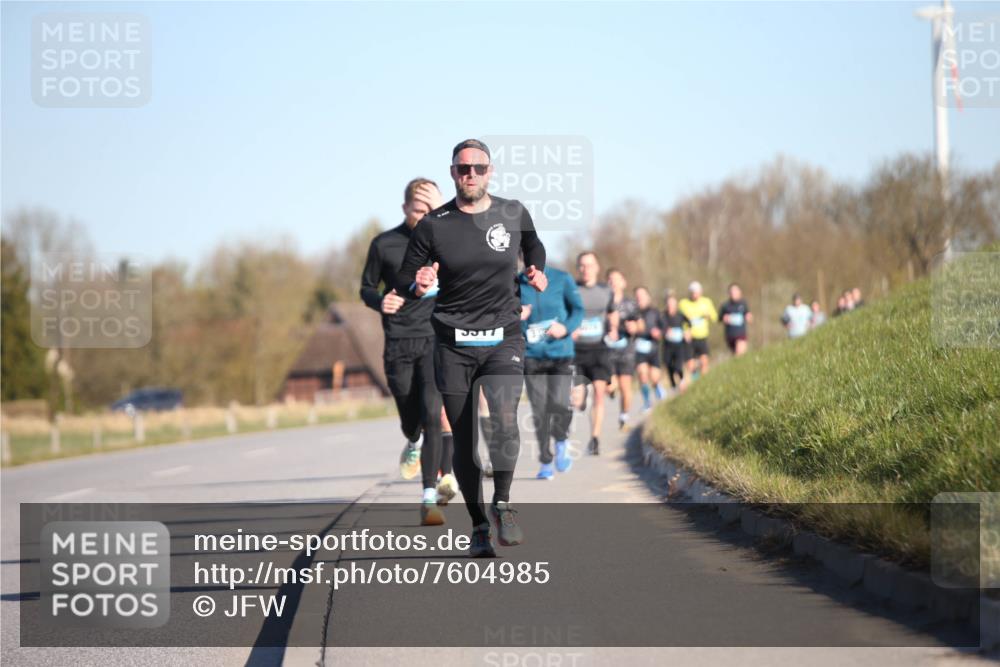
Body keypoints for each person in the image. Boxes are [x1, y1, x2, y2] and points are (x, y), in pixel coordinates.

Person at [396, 139, 547, 558]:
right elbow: (405, 278)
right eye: (464, 169)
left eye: (479, 168)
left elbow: (533, 244)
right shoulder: (434, 225)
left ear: (491, 171)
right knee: (463, 440)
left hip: (503, 336)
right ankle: (479, 524)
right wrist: (418, 282)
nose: (472, 176)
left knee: (503, 419)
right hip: (452, 342)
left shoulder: (512, 212)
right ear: (452, 173)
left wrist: (535, 267)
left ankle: (502, 505)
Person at [360, 178, 456, 526]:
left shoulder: (445, 242)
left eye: (431, 208)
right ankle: (411, 439)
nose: (425, 214)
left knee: (434, 415)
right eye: (419, 209)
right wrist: (379, 300)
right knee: (410, 418)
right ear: (405, 209)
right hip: (398, 341)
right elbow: (366, 287)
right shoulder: (384, 244)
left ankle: (428, 497)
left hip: (434, 338)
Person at [519, 261, 583, 479]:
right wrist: (518, 317)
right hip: (531, 355)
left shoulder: (561, 278)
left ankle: (562, 440)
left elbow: (578, 310)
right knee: (539, 410)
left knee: (558, 403)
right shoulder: (516, 283)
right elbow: (506, 315)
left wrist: (565, 328)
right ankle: (546, 461)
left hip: (560, 353)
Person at [571, 251, 616, 456]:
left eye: (589, 265)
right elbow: (562, 313)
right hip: (576, 351)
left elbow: (612, 312)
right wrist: (570, 327)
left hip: (599, 349)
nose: (585, 269)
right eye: (582, 265)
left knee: (600, 393)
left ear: (597, 268)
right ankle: (581, 399)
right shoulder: (571, 289)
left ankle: (595, 438)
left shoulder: (606, 291)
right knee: (578, 400)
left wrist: (613, 328)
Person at [606, 268, 640, 430]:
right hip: (607, 350)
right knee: (610, 385)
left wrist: (634, 326)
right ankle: (611, 389)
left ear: (623, 283)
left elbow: (640, 324)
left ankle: (624, 415)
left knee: (625, 386)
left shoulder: (631, 304)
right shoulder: (603, 302)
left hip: (626, 350)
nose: (613, 282)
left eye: (617, 279)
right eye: (610, 279)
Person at [633, 285, 665, 412]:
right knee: (642, 374)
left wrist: (659, 332)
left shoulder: (655, 312)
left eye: (642, 296)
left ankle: (657, 386)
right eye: (637, 296)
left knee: (654, 377)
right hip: (638, 349)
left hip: (653, 348)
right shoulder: (633, 313)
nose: (640, 298)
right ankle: (647, 402)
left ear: (648, 297)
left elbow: (663, 328)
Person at [678, 281, 717, 378]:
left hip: (702, 336)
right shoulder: (683, 303)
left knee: (704, 362)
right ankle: (695, 380)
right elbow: (679, 320)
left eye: (697, 292)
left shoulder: (706, 302)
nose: (695, 295)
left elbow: (715, 317)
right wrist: (685, 331)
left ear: (701, 292)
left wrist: (709, 315)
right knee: (690, 365)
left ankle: (704, 382)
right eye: (693, 292)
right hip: (689, 338)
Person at [661, 291, 690, 391]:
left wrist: (687, 332)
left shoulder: (681, 315)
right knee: (668, 364)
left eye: (672, 303)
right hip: (668, 345)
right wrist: (665, 331)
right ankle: (672, 383)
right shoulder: (663, 316)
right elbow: (659, 328)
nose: (670, 306)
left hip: (679, 345)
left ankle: (681, 380)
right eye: (668, 304)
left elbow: (689, 324)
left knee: (678, 365)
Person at [717, 282, 752, 356]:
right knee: (735, 355)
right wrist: (724, 318)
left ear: (740, 292)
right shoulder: (725, 306)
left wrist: (749, 317)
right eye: (732, 291)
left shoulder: (743, 303)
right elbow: (719, 318)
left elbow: (748, 314)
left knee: (740, 353)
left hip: (741, 334)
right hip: (730, 335)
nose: (734, 293)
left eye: (735, 291)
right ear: (729, 293)